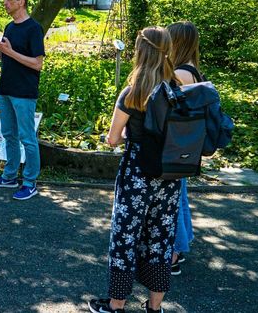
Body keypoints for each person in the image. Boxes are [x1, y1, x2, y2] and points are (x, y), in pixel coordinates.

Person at [88, 27, 183, 313]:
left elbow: (113, 138)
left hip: (137, 174)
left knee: (125, 237)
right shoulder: (176, 89)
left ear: (141, 50)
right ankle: (155, 307)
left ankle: (116, 305)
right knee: (160, 239)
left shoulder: (133, 92)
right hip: (169, 176)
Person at [0, 0, 45, 200]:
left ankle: (29, 182)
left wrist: (10, 51)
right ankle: (9, 176)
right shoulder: (9, 27)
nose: (5, 2)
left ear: (21, 2)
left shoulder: (34, 28)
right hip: (6, 89)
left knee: (27, 138)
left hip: (24, 92)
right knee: (9, 135)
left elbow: (37, 64)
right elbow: (6, 58)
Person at [167, 21, 200, 275]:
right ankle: (184, 243)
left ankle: (174, 255)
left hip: (176, 145)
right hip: (188, 144)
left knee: (174, 201)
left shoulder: (180, 73)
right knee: (182, 197)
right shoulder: (193, 69)